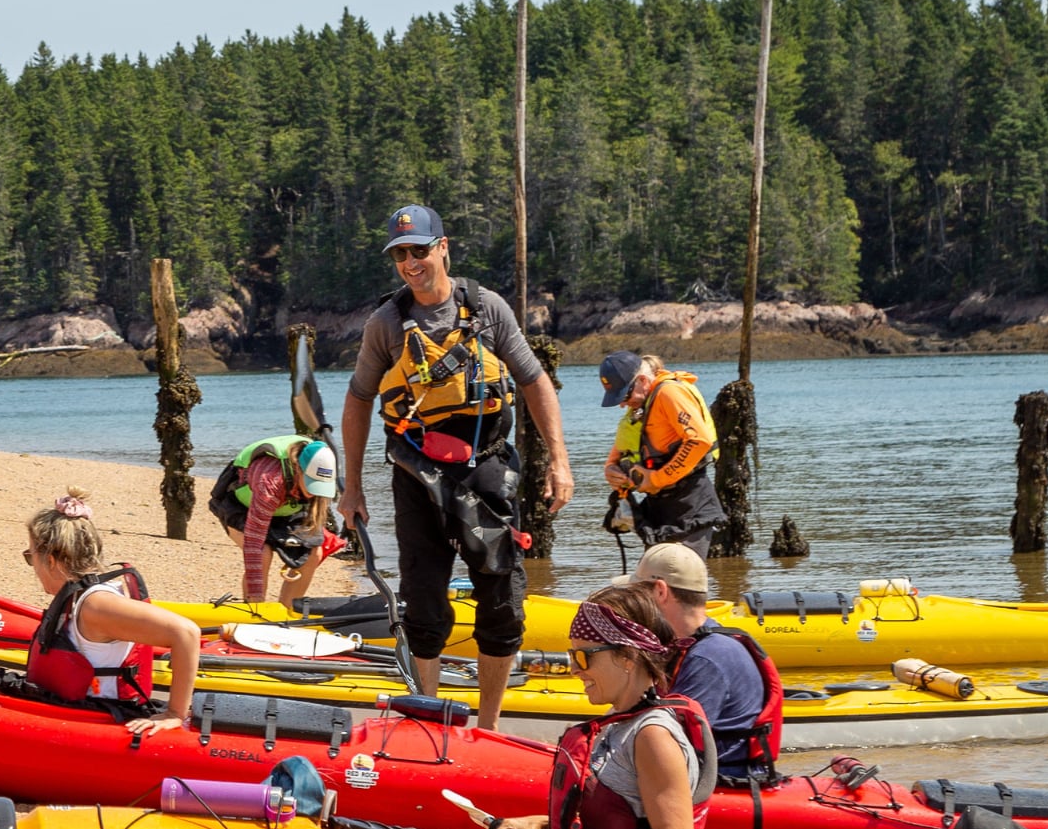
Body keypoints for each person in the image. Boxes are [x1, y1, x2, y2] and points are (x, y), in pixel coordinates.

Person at [336, 203, 572, 729]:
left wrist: (559, 459)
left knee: (501, 600)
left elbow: (535, 382)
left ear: (443, 248)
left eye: (419, 251)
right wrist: (351, 488)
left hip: (485, 469)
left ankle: (488, 725)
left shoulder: (489, 310)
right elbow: (357, 402)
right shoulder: (386, 324)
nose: (410, 263)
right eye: (400, 255)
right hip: (415, 476)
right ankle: (430, 718)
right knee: (422, 601)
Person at [488, 583, 708, 829]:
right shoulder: (615, 721)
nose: (575, 670)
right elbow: (620, 820)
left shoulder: (653, 736)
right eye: (571, 656)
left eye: (583, 657)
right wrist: (538, 823)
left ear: (627, 657)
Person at [16, 489, 201, 737]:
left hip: (100, 719)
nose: (33, 567)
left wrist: (175, 713)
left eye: (31, 557)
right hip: (65, 707)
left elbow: (186, 633)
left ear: (50, 560)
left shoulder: (96, 604)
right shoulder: (78, 597)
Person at [630, 542, 784, 785]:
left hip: (728, 782)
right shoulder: (697, 641)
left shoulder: (707, 657)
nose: (634, 606)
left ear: (660, 591)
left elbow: (670, 746)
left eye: (637, 595)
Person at [599, 350, 725, 559]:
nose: (622, 403)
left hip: (690, 504)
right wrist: (611, 470)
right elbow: (618, 454)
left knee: (680, 579)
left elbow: (698, 440)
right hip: (659, 507)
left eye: (625, 395)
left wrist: (656, 478)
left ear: (641, 380)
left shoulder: (669, 393)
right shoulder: (641, 403)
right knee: (655, 581)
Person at [208, 434, 341, 605]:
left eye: (320, 485)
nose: (315, 491)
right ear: (298, 469)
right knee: (263, 552)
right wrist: (256, 598)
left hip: (286, 506)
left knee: (313, 554)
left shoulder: (322, 470)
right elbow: (253, 546)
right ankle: (254, 608)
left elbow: (314, 525)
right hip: (241, 506)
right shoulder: (270, 483)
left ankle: (289, 612)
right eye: (311, 483)